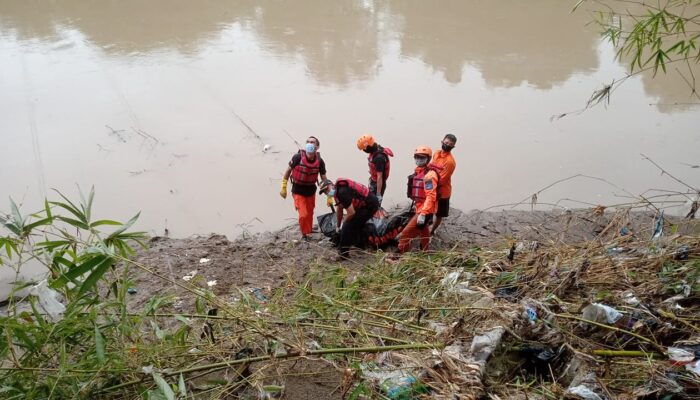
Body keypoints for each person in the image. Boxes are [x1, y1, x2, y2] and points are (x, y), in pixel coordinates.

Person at [280, 136, 331, 240]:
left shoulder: (320, 162)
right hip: (298, 191)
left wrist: (329, 196)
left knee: (310, 213)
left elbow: (324, 179)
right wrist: (283, 186)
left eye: (312, 142)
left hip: (311, 191)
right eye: (308, 142)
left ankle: (308, 230)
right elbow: (288, 171)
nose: (310, 144)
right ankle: (304, 235)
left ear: (317, 146)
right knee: (303, 215)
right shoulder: (297, 157)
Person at [319, 178, 379, 260]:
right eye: (324, 192)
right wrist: (337, 227)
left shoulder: (342, 193)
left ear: (332, 185)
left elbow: (351, 213)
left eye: (327, 189)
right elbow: (339, 209)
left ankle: (343, 254)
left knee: (348, 226)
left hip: (370, 205)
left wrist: (344, 224)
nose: (327, 192)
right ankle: (361, 245)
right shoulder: (338, 192)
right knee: (355, 224)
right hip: (365, 204)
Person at [398, 146, 441, 253]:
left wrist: (423, 214)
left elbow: (431, 196)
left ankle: (397, 258)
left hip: (425, 210)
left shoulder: (429, 176)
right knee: (424, 230)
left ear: (428, 159)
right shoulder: (419, 172)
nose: (418, 159)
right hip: (420, 207)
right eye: (416, 157)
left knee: (406, 234)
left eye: (422, 157)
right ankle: (425, 252)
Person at [430, 134, 457, 235]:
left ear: (453, 147)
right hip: (432, 186)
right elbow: (431, 167)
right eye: (446, 143)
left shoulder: (450, 162)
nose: (447, 145)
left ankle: (432, 231)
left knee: (439, 214)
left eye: (450, 144)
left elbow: (442, 180)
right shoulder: (436, 153)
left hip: (443, 191)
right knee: (429, 208)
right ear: (442, 142)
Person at [356, 134, 393, 206]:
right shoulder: (376, 149)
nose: (364, 150)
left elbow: (380, 177)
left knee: (374, 205)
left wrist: (378, 194)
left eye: (364, 149)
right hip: (373, 181)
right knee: (368, 202)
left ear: (368, 147)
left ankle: (377, 215)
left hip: (378, 184)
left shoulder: (379, 158)